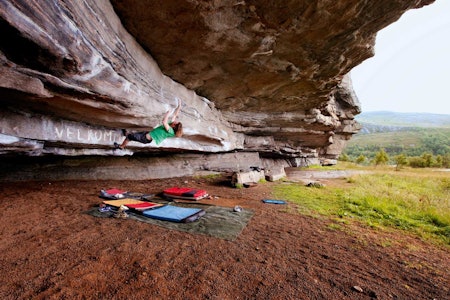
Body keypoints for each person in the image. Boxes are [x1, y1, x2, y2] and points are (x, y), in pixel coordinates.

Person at [114, 101, 183, 150]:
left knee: (129, 137)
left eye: (176, 122)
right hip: (147, 134)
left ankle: (121, 147)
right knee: (133, 135)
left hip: (145, 138)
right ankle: (127, 134)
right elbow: (175, 115)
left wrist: (168, 113)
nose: (175, 121)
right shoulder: (171, 126)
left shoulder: (170, 131)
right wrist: (179, 106)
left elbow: (164, 122)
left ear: (174, 126)